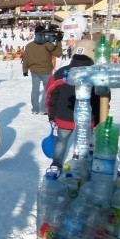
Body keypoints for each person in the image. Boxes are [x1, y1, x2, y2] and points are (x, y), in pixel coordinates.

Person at [46, 39, 101, 169]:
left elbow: (50, 95)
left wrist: (52, 115)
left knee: (61, 142)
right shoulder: (97, 74)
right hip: (89, 119)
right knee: (86, 144)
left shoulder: (61, 73)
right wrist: (99, 119)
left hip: (64, 117)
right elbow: (104, 98)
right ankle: (83, 168)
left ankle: (56, 165)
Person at [22, 24, 62, 114]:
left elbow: (25, 59)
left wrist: (25, 70)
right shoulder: (47, 45)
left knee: (35, 90)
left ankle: (35, 109)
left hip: (34, 71)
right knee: (46, 90)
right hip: (46, 71)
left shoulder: (29, 46)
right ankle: (43, 109)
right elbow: (59, 53)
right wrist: (58, 41)